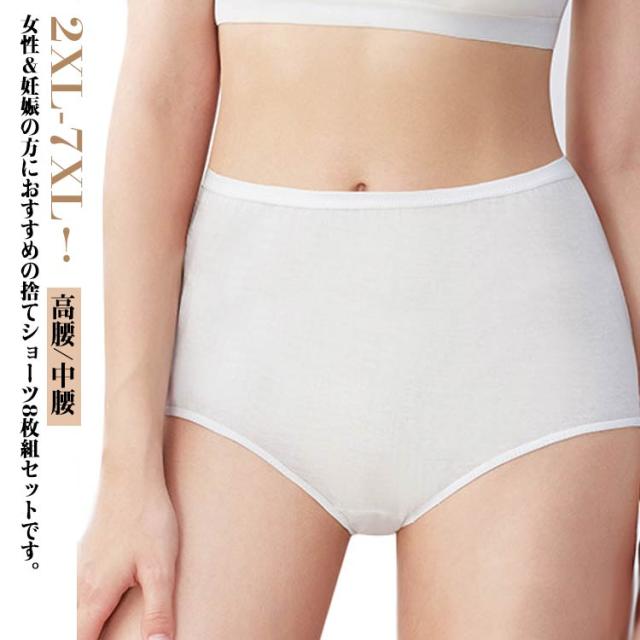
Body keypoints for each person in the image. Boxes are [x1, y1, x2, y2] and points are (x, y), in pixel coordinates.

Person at [78, 1, 640, 638]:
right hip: (237, 365)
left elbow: (623, 159)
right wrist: (125, 473)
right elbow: (159, 95)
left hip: (524, 365)